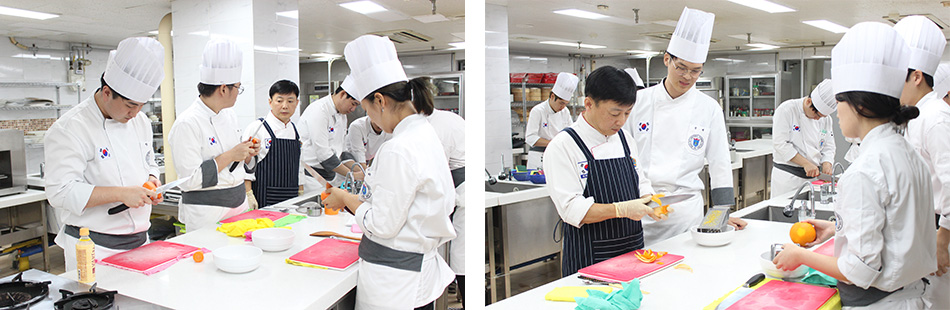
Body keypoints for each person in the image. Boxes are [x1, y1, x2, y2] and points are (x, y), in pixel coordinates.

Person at [773, 22, 937, 309]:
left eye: (839, 102)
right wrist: (838, 230)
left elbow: (861, 272)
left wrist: (799, 256)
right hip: (912, 294)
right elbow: (897, 228)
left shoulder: (864, 171)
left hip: (881, 303)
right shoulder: (906, 152)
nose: (836, 113)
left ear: (858, 105)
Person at [321, 35, 456, 310]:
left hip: (395, 283)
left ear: (380, 100)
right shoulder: (424, 133)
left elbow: (382, 224)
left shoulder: (399, 148)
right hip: (413, 272)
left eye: (368, 108)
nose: (370, 117)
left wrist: (345, 199)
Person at [623, 7, 745, 246]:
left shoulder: (709, 108)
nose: (687, 77)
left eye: (695, 71)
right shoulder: (639, 102)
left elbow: (720, 163)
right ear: (667, 59)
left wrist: (721, 213)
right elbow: (625, 155)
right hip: (641, 207)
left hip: (685, 214)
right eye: (681, 67)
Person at [45, 37, 165, 270]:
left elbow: (149, 162)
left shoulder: (140, 122)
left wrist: (152, 180)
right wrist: (121, 194)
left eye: (142, 105)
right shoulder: (70, 128)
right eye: (130, 105)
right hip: (94, 248)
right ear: (107, 92)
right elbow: (60, 192)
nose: (136, 113)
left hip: (140, 243)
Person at [544, 66, 664, 276]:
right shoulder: (563, 145)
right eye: (615, 113)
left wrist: (651, 201)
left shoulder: (625, 139)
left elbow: (641, 181)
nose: (621, 121)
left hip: (633, 251)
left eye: (627, 113)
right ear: (588, 104)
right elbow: (571, 210)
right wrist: (621, 209)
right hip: (589, 257)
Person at [169, 39, 259, 231]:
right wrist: (230, 155)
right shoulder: (187, 123)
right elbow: (189, 180)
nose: (238, 92)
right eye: (238, 87)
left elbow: (235, 165)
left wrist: (247, 154)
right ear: (223, 89)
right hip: (206, 213)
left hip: (238, 205)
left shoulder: (229, 115)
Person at [894, 15, 950, 309]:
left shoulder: (935, 119)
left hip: (942, 232)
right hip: (929, 229)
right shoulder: (916, 115)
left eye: (895, 77)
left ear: (916, 76)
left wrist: (943, 241)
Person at [425, 108, 466, 305]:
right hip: (461, 189)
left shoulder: (433, 127)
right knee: (462, 256)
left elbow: (435, 170)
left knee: (462, 258)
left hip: (462, 190)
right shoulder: (447, 118)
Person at [242, 80, 304, 207]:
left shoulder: (294, 129)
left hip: (291, 196)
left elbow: (299, 164)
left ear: (297, 103)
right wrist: (248, 193)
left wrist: (301, 189)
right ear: (270, 102)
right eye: (279, 101)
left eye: (290, 101)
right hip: (265, 197)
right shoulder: (258, 128)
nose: (285, 106)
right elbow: (245, 165)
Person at [770, 79, 837, 195]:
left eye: (822, 116)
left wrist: (827, 163)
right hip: (788, 179)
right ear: (808, 102)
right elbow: (780, 144)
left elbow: (829, 145)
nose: (818, 119)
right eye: (817, 114)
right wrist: (805, 163)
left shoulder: (826, 119)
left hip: (813, 179)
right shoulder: (786, 110)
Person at [299, 81, 362, 191]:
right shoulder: (319, 111)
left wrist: (358, 170)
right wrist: (353, 175)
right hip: (312, 176)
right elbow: (323, 154)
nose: (353, 109)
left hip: (331, 175)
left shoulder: (342, 115)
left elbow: (342, 151)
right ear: (342, 94)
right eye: (353, 104)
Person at [525, 72, 578, 169]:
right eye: (561, 103)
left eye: (566, 104)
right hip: (539, 156)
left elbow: (570, 132)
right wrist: (553, 143)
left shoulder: (565, 111)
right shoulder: (538, 111)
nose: (563, 107)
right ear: (552, 96)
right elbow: (530, 137)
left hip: (558, 154)